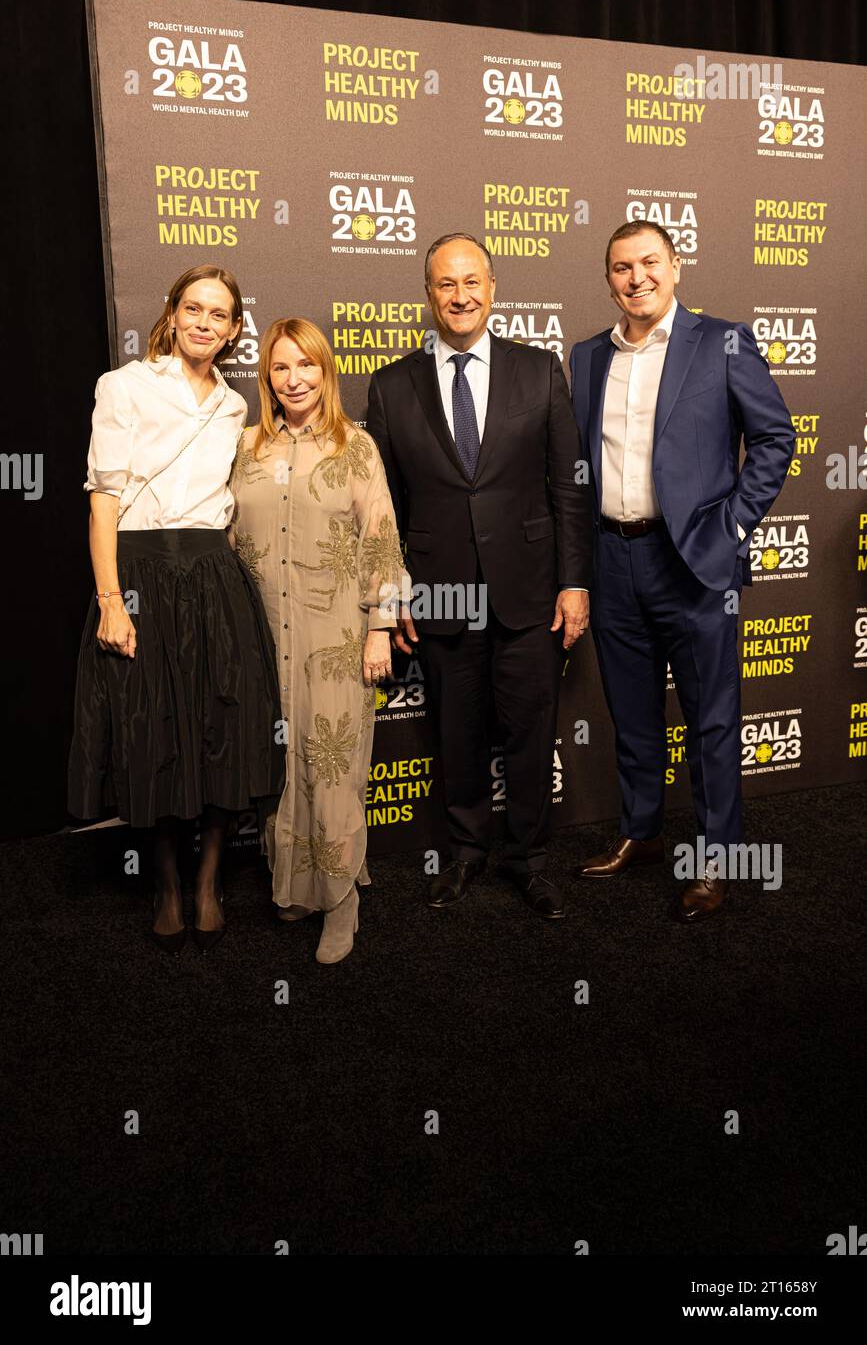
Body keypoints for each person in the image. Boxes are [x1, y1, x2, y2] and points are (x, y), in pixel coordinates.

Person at [569, 222, 794, 921]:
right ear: (607, 279)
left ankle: (717, 858)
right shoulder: (583, 358)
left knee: (711, 722)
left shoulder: (722, 340)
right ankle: (640, 830)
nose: (635, 277)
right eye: (620, 267)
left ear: (675, 268)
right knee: (632, 718)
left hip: (693, 565)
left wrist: (728, 526)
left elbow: (773, 437)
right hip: (612, 560)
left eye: (648, 263)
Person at [366, 232, 593, 920]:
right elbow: (383, 510)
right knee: (457, 735)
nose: (459, 295)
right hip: (439, 593)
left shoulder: (539, 370)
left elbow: (568, 487)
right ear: (428, 294)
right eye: (444, 284)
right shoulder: (390, 383)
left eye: (471, 282)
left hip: (528, 589)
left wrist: (574, 581)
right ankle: (465, 853)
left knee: (530, 734)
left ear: (492, 288)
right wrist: (389, 595)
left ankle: (527, 859)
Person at [68, 265, 285, 953]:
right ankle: (165, 883)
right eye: (194, 308)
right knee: (153, 733)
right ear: (171, 313)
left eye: (219, 315)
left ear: (232, 331)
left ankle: (209, 882)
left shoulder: (231, 406)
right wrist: (111, 600)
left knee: (222, 722)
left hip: (212, 576)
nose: (203, 323)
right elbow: (103, 498)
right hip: (139, 573)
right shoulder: (124, 387)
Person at [229, 318, 405, 964]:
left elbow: (380, 539)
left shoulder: (353, 446)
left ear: (324, 372)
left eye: (305, 364)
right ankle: (294, 885)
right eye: (280, 367)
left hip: (335, 637)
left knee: (331, 770)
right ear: (267, 378)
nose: (293, 378)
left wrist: (380, 629)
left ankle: (340, 901)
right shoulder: (245, 446)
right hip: (260, 637)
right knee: (280, 771)